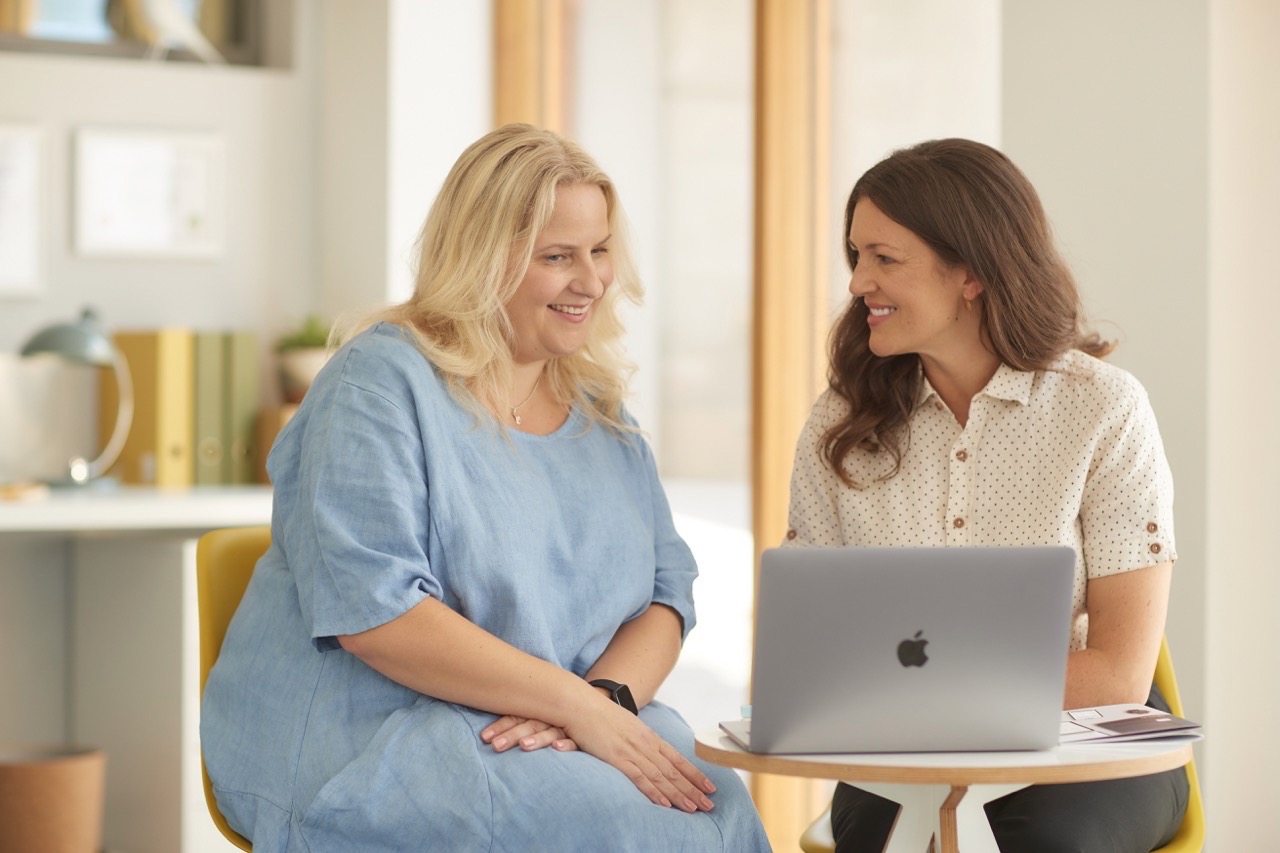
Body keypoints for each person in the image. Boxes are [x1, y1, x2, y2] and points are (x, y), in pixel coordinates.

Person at [201, 123, 770, 853]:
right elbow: (377, 614)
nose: (591, 281)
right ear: (479, 259)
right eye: (558, 256)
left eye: (599, 251)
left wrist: (602, 703)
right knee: (631, 827)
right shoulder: (376, 384)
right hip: (374, 736)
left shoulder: (603, 416)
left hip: (547, 724)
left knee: (717, 807)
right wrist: (571, 703)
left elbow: (668, 590)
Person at [785, 138, 1189, 852]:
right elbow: (812, 648)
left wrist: (916, 699)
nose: (857, 283)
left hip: (1084, 747)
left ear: (970, 273)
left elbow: (1120, 671)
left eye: (885, 258)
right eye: (856, 256)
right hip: (901, 753)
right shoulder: (839, 420)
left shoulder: (1104, 410)